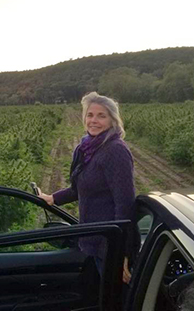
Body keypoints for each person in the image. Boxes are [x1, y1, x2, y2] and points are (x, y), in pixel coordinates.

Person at [37, 92, 137, 284]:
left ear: (112, 120)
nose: (94, 120)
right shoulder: (86, 148)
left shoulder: (115, 150)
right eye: (90, 115)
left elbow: (124, 204)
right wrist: (53, 198)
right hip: (93, 240)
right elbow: (79, 188)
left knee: (116, 300)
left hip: (109, 244)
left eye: (101, 116)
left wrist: (121, 252)